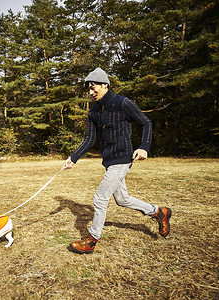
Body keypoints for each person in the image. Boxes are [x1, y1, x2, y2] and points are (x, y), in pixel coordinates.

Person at [64, 68, 172, 254]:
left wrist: (144, 147)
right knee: (122, 199)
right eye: (88, 89)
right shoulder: (94, 111)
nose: (90, 92)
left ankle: (91, 239)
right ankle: (159, 212)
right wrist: (73, 158)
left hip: (123, 158)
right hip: (109, 160)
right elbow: (90, 139)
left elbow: (146, 122)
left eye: (93, 87)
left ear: (105, 85)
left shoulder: (123, 103)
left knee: (100, 197)